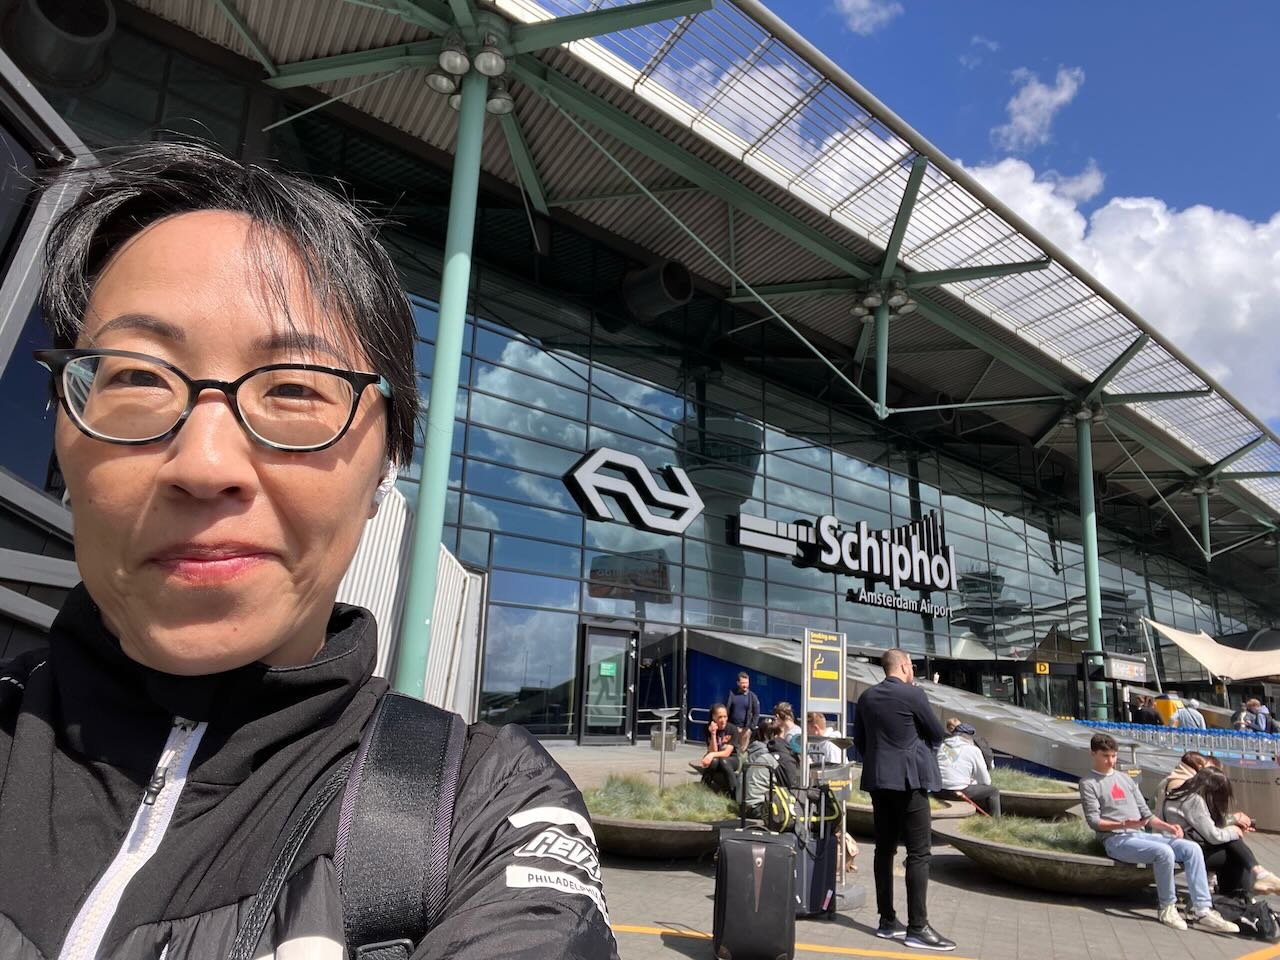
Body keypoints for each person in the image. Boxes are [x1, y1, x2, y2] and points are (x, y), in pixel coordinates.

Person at [0, 144, 617, 959]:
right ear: (61, 429)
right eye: (138, 378)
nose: (204, 465)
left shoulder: (480, 813)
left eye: (293, 388)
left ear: (385, 469)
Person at [1078, 733, 1237, 933]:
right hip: (1116, 840)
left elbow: (1146, 815)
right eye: (1105, 756)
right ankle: (1167, 907)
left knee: (1191, 849)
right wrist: (1123, 824)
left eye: (1114, 756)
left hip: (1139, 835)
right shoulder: (1088, 783)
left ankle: (1203, 909)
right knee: (1164, 852)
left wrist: (1169, 827)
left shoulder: (1125, 779)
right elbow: (1094, 822)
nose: (1111, 761)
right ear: (1093, 754)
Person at [853, 648, 954, 952]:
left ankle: (886, 921)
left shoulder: (866, 697)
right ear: (905, 666)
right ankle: (917, 928)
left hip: (879, 782)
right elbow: (937, 733)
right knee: (919, 853)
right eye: (911, 665)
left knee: (884, 850)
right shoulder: (913, 694)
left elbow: (860, 741)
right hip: (909, 782)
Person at [1162, 767, 1280, 896]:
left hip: (1179, 846)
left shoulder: (1179, 795)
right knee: (1235, 855)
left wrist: (1233, 829)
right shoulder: (1193, 800)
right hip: (1189, 852)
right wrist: (1234, 831)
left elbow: (1205, 826)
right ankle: (1247, 891)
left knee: (1233, 845)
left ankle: (1256, 880)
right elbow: (1213, 836)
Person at [934, 721, 1001, 817]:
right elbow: (986, 781)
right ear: (969, 737)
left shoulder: (942, 746)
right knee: (993, 791)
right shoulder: (973, 750)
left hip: (938, 791)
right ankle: (996, 821)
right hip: (958, 792)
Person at [692, 703, 740, 796]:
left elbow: (727, 753)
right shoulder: (708, 729)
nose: (723, 720)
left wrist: (711, 755)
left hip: (732, 759)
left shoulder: (732, 729)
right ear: (714, 717)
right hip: (716, 758)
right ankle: (704, 788)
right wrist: (713, 734)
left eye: (725, 717)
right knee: (714, 761)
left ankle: (734, 792)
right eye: (720, 717)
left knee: (723, 761)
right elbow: (713, 750)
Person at [738, 718, 781, 819]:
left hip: (742, 801)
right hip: (756, 805)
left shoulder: (753, 748)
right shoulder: (766, 753)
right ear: (772, 735)